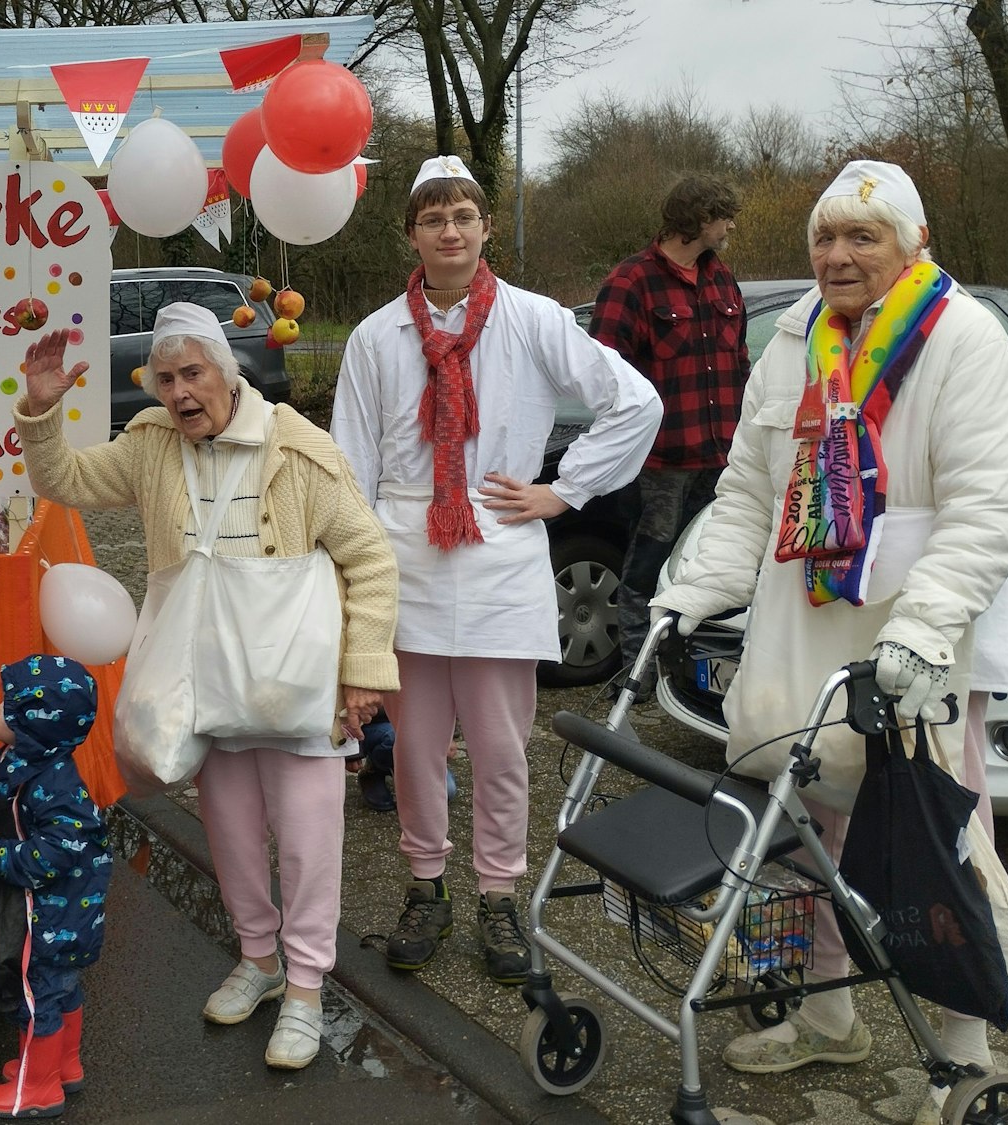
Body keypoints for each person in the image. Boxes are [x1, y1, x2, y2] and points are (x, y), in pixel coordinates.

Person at [651, 160, 1008, 1125]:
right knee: (809, 818)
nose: (837, 255)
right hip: (808, 614)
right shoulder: (795, 338)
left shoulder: (963, 337)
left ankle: (965, 1050)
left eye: (863, 236)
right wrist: (691, 592)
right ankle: (827, 1011)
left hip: (918, 631)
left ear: (912, 244)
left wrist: (923, 627)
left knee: (938, 836)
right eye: (824, 236)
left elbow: (989, 505)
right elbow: (749, 489)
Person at [14, 303, 401, 1070]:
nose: (180, 392)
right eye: (165, 379)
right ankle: (259, 960)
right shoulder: (150, 445)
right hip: (206, 684)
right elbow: (63, 477)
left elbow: (372, 560)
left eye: (192, 373)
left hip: (299, 686)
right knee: (230, 835)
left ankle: (306, 988)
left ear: (227, 373)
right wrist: (42, 409)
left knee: (308, 844)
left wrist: (364, 670)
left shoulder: (301, 448)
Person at [330, 155, 661, 985]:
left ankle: (499, 892)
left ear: (484, 228)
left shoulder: (533, 318)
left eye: (462, 216)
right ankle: (426, 883)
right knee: (415, 748)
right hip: (405, 556)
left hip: (500, 551)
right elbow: (350, 464)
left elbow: (636, 401)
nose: (449, 230)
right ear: (412, 234)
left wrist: (565, 490)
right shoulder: (376, 336)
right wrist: (353, 579)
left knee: (502, 747)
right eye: (432, 218)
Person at [588, 174, 749, 673]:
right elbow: (601, 374)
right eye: (725, 218)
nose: (730, 227)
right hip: (659, 462)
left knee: (706, 569)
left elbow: (740, 363)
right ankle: (635, 678)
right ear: (700, 220)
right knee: (645, 570)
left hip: (721, 459)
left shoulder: (722, 279)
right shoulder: (631, 281)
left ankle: (693, 673)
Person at [0, 654, 110, 1119]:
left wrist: (2, 856)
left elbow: (59, 850)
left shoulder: (54, 785)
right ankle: (64, 1065)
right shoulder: (28, 762)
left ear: (34, 727)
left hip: (51, 915)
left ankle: (39, 1087)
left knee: (36, 997)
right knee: (62, 990)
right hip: (62, 912)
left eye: (8, 709)